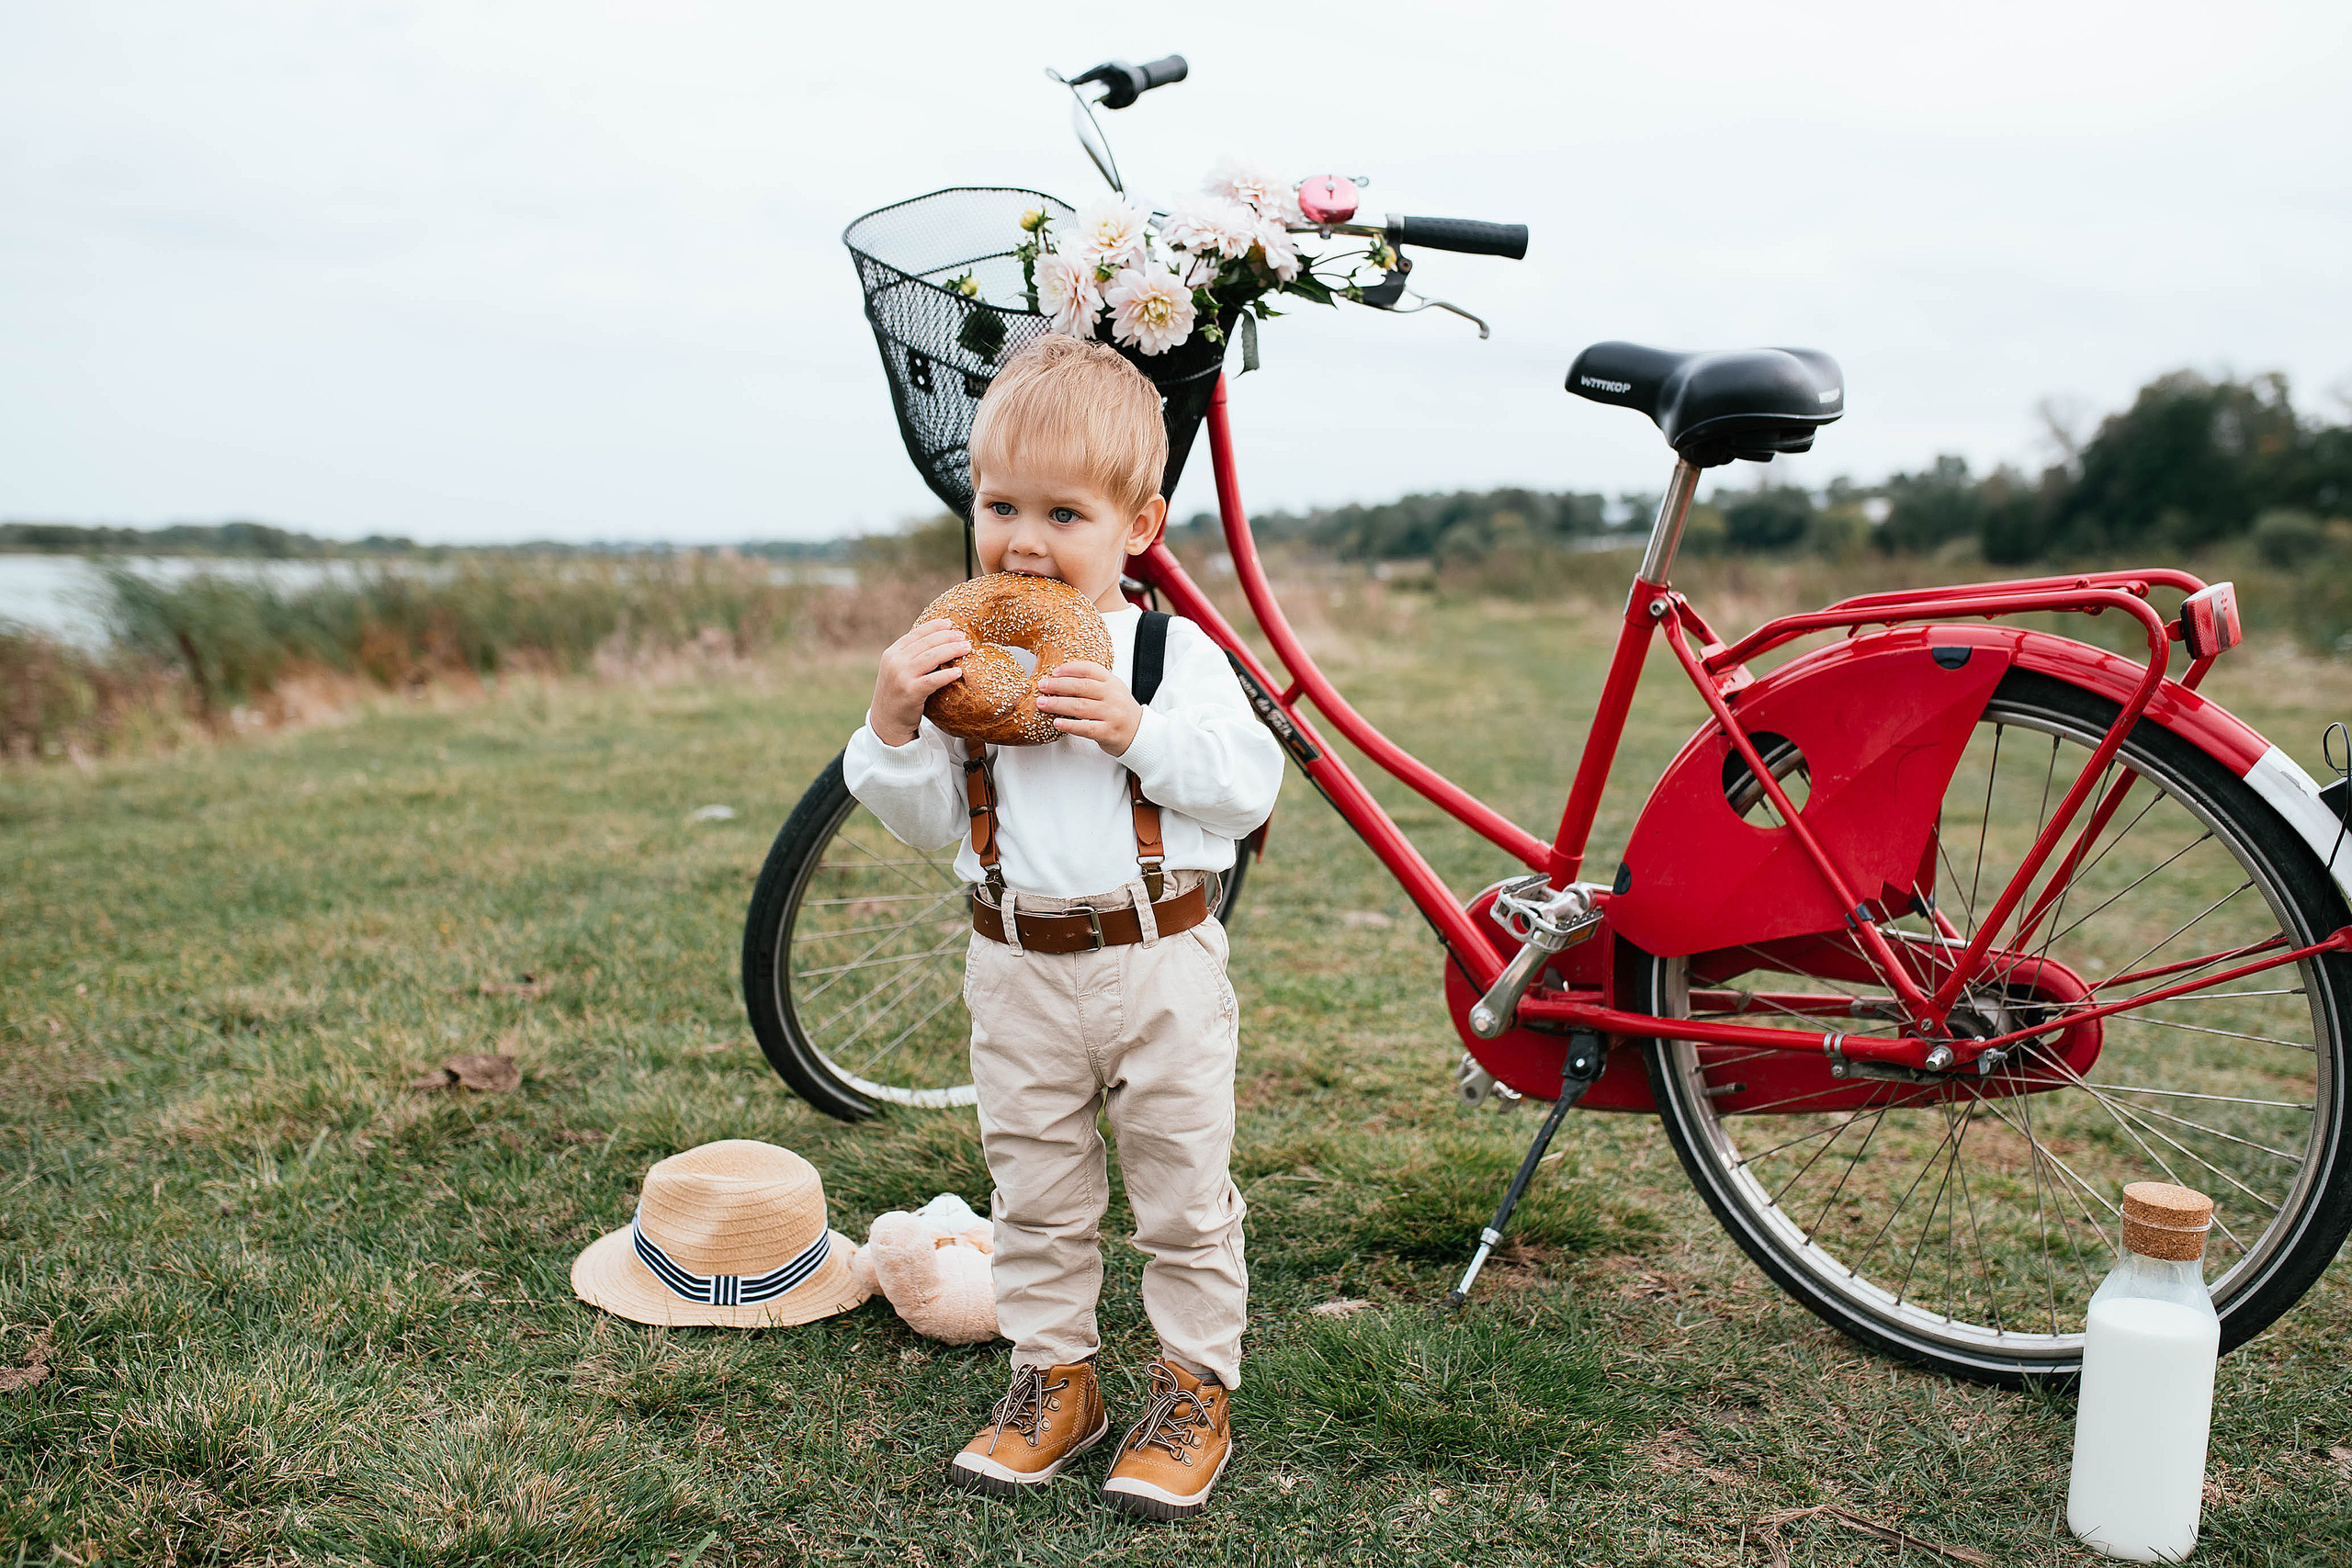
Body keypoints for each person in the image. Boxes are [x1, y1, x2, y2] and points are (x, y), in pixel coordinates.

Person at [844, 334, 1283, 1521]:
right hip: (1016, 966)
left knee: (1183, 1192)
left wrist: (1138, 731)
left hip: (1159, 959)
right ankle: (1056, 1380)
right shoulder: (966, 668)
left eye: (1064, 514)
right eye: (1000, 507)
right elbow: (931, 820)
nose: (1025, 542)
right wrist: (892, 727)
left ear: (1139, 526)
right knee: (1033, 1190)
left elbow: (1247, 789)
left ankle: (1193, 1389)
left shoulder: (1167, 655)